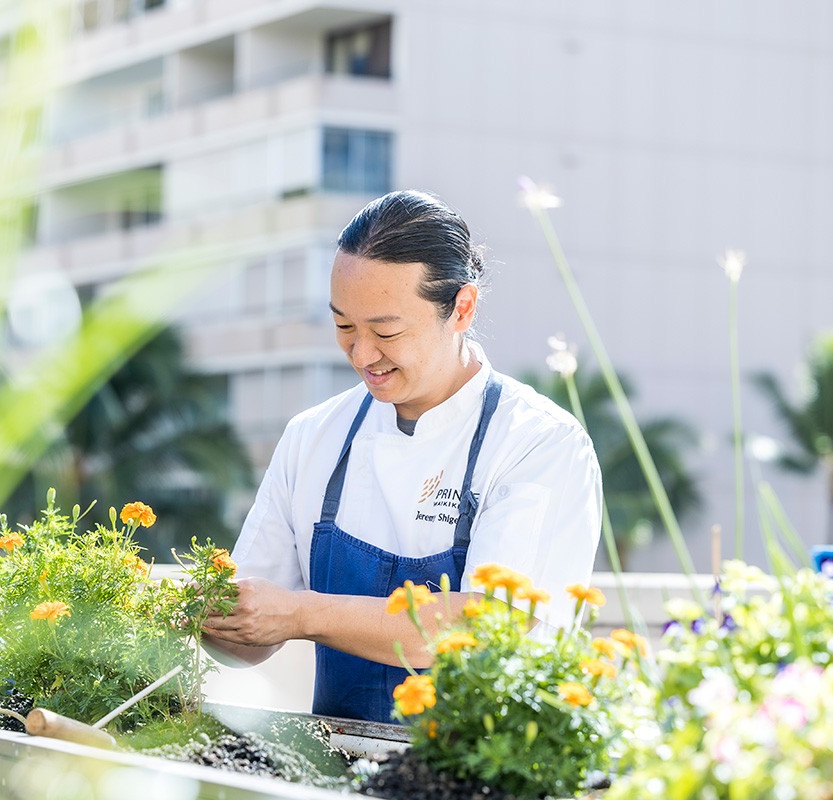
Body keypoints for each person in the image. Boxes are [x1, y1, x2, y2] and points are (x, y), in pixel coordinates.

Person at [204, 190, 602, 724]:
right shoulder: (314, 437)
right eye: (344, 326)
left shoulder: (538, 442)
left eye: (386, 331)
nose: (363, 355)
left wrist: (302, 613)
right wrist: (191, 615)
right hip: (339, 768)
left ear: (462, 308)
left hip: (482, 775)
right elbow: (248, 639)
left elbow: (488, 627)